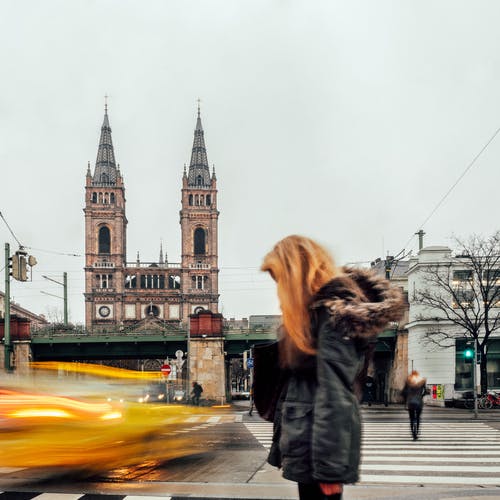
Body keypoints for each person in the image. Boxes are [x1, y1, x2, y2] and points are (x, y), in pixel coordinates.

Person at [261, 235, 404, 500]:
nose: (279, 290)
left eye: (281, 280)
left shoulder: (330, 318)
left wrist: (329, 471)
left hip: (318, 453)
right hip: (309, 446)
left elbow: (335, 395)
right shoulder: (315, 315)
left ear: (296, 276)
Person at [402, 370, 427, 440]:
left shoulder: (408, 380)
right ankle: (417, 431)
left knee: (412, 418)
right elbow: (425, 391)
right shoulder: (422, 381)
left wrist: (405, 400)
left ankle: (413, 432)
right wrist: (421, 396)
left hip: (411, 402)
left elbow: (404, 392)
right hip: (419, 401)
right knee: (418, 417)